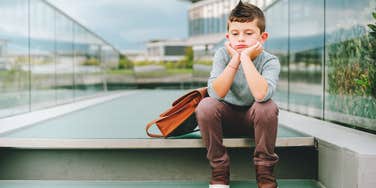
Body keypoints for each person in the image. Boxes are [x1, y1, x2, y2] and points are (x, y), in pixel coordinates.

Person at [195, 1, 281, 188]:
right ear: (228, 37)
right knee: (206, 106)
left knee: (267, 107)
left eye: (248, 33)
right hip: (225, 120)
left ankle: (265, 174)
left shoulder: (270, 61)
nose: (241, 39)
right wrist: (235, 60)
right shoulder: (222, 55)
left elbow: (261, 95)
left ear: (262, 37)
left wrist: (246, 59)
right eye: (235, 34)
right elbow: (216, 94)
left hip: (254, 122)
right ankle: (219, 171)